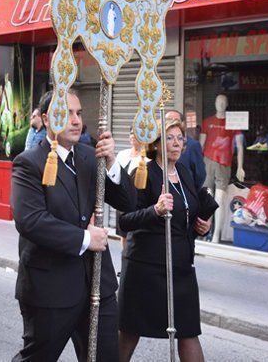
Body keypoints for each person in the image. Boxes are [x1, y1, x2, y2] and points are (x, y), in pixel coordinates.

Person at [11, 90, 136, 362]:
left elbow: (128, 201)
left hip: (97, 284)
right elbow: (30, 220)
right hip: (50, 286)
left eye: (78, 113)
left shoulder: (90, 157)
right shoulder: (29, 163)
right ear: (46, 119)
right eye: (67, 113)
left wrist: (112, 162)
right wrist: (84, 239)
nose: (76, 120)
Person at [117, 118, 217, 362]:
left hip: (181, 267)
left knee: (188, 330)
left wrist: (201, 226)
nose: (176, 143)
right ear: (157, 143)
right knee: (130, 332)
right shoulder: (142, 171)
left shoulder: (184, 172)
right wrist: (155, 210)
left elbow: (188, 212)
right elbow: (124, 221)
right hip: (146, 268)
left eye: (180, 138)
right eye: (170, 138)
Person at [166, 110, 206, 192]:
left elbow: (200, 175)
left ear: (183, 124)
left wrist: (190, 192)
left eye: (175, 121)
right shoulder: (158, 144)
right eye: (168, 120)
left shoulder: (192, 145)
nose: (171, 124)